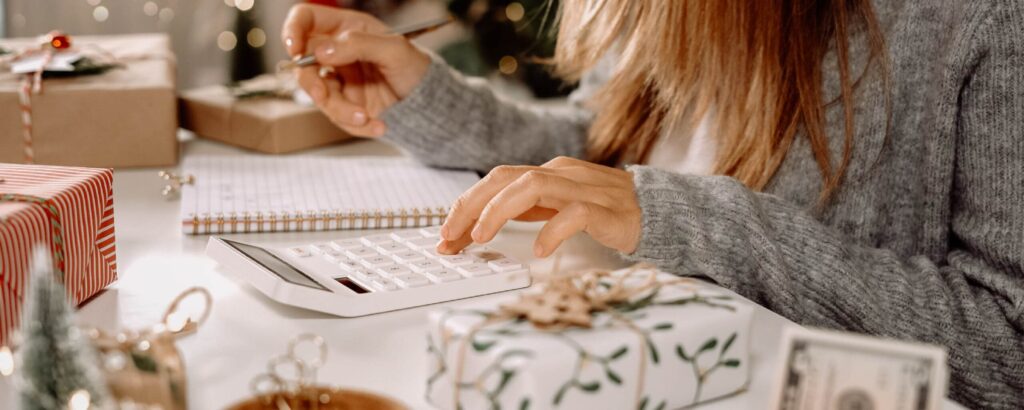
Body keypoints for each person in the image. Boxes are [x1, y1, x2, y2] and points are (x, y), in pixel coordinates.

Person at [281, 1, 1023, 408]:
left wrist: (688, 219)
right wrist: (423, 91)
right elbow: (603, 142)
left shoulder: (976, 23)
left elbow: (1008, 349)